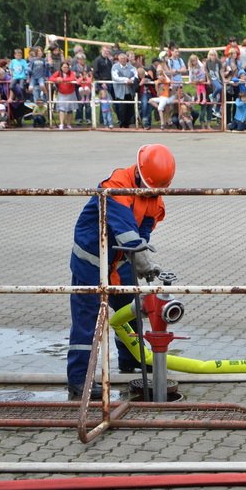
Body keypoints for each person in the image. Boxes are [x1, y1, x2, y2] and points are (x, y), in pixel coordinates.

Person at [67, 144, 176, 401]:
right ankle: (79, 381)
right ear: (138, 171)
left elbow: (145, 226)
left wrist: (141, 250)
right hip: (91, 260)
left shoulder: (152, 192)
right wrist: (142, 260)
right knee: (88, 322)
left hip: (117, 259)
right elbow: (126, 231)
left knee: (130, 308)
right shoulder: (116, 186)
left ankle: (131, 359)